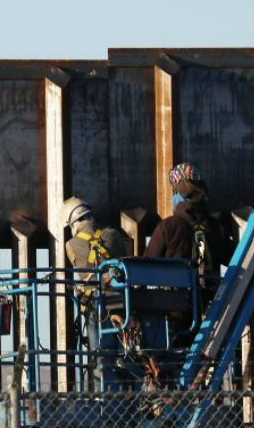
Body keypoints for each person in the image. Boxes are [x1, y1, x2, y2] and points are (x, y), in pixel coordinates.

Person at [145, 163, 230, 345]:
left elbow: (146, 267)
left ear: (177, 194)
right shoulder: (215, 228)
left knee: (173, 363)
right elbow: (232, 258)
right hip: (211, 310)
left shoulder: (168, 227)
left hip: (175, 314)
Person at [62, 196, 130, 390]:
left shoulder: (71, 245)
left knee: (100, 356)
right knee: (125, 354)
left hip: (96, 308)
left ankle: (106, 400)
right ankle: (128, 396)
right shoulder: (113, 235)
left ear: (73, 223)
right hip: (122, 303)